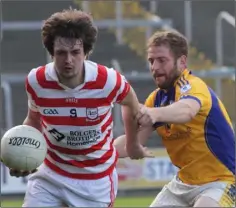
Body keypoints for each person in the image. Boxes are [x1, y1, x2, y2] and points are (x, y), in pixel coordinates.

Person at [7, 8, 151, 207]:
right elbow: (33, 120)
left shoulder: (108, 81)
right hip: (51, 174)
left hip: (95, 181)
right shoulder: (37, 81)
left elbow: (131, 105)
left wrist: (133, 144)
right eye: (61, 53)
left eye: (75, 52)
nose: (68, 60)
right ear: (51, 53)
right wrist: (24, 156)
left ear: (86, 52)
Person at [115, 30, 235, 207]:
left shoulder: (194, 86)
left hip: (221, 180)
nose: (155, 67)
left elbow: (186, 110)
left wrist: (153, 113)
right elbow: (133, 142)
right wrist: (95, 152)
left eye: (162, 60)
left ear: (182, 61)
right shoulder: (155, 99)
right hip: (182, 184)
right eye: (151, 61)